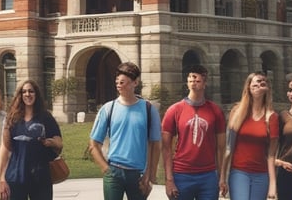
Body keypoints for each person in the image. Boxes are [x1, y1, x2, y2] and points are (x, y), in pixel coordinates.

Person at [88, 61, 162, 200]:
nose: (119, 84)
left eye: (123, 82)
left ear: (135, 83)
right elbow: (93, 144)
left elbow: (156, 144)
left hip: (139, 174)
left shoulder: (148, 109)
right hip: (114, 172)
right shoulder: (108, 109)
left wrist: (150, 174)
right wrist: (105, 168)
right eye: (117, 82)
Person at [161, 64, 226, 200]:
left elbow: (221, 148)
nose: (193, 83)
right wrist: (169, 179)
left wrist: (222, 177)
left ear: (204, 83)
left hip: (208, 174)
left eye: (197, 81)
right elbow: (166, 148)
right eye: (190, 80)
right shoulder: (175, 110)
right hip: (181, 173)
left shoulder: (215, 111)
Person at [0, 80, 63, 200]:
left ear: (36, 94)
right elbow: (5, 149)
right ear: (20, 95)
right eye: (24, 92)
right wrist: (1, 179)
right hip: (16, 176)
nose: (28, 94)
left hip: (40, 176)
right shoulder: (11, 118)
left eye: (31, 91)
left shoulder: (46, 117)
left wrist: (50, 142)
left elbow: (59, 143)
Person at [221, 71, 279, 200]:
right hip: (239, 172)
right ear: (248, 86)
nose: (260, 83)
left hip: (261, 174)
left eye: (263, 81)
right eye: (256, 81)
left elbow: (271, 155)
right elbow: (228, 147)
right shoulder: (237, 112)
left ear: (267, 88)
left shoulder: (272, 117)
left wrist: (273, 184)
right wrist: (222, 178)